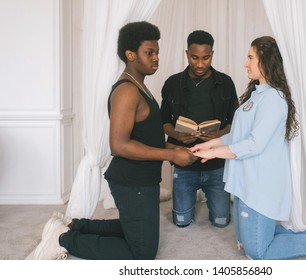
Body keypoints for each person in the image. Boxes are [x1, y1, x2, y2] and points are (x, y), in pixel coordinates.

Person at [29, 21, 197, 260]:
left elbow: (148, 137)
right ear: (130, 55)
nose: (156, 58)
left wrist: (175, 147)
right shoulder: (127, 91)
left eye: (157, 52)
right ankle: (63, 241)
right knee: (143, 253)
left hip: (143, 179)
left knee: (137, 229)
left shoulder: (141, 87)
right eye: (149, 53)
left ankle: (73, 225)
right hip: (132, 181)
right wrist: (171, 155)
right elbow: (118, 145)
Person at [190, 36, 306, 260]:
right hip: (246, 182)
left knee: (258, 252)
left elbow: (255, 144)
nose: (245, 63)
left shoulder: (274, 99)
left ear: (266, 61)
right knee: (245, 241)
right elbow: (239, 135)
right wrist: (209, 144)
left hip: (261, 186)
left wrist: (212, 154)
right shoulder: (256, 95)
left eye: (251, 58)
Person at [160, 30, 239, 228]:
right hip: (184, 162)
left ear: (212, 53)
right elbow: (163, 122)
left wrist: (219, 134)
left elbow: (236, 121)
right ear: (187, 54)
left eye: (206, 57)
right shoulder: (172, 83)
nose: (200, 64)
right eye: (195, 57)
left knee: (221, 221)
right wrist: (178, 135)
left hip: (216, 164)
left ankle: (210, 197)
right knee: (181, 222)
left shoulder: (226, 83)